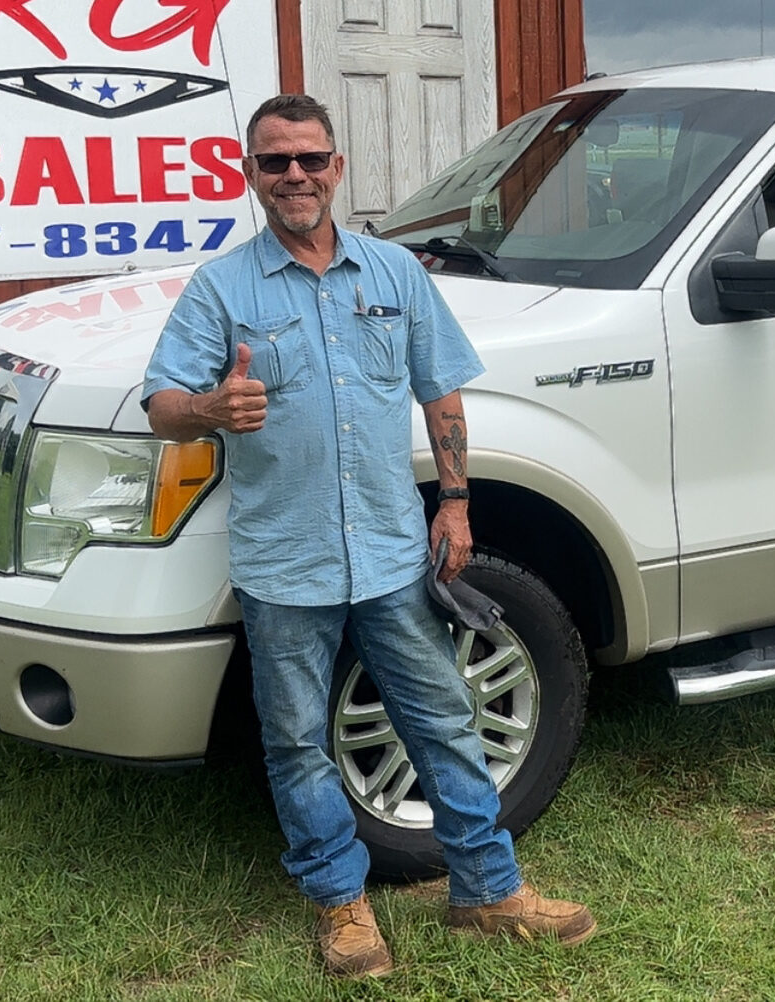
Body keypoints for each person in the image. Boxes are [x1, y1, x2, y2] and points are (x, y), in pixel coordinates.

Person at [141, 94, 594, 978]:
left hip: (390, 551)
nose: (295, 176)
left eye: (310, 158)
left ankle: (489, 893)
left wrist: (456, 504)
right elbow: (164, 405)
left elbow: (443, 392)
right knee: (298, 742)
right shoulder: (221, 290)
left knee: (444, 719)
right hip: (284, 564)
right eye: (275, 162)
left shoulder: (395, 275)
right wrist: (208, 408)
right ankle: (342, 908)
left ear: (337, 168)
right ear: (253, 174)